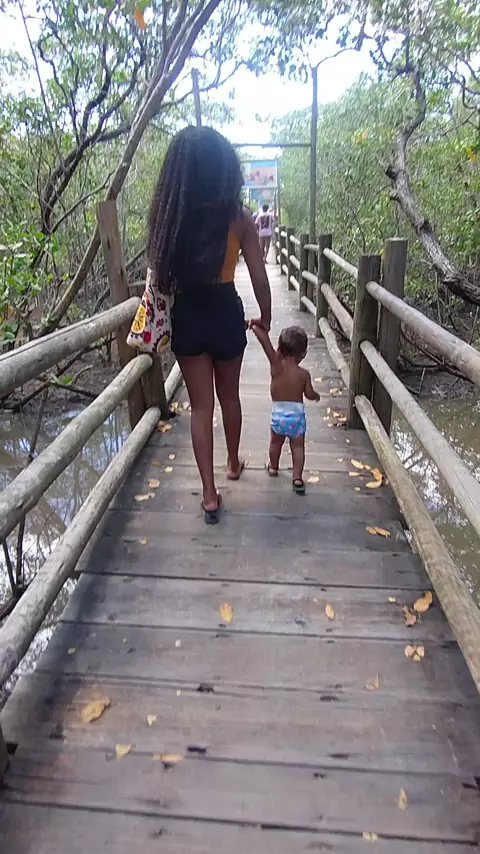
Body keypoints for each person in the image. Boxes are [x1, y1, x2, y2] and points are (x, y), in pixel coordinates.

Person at [147, 126, 272, 524]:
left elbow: (161, 275)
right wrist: (266, 316)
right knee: (229, 397)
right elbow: (259, 277)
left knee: (201, 408)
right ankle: (233, 463)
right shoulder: (239, 218)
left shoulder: (173, 220)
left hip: (189, 315)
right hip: (225, 313)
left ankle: (209, 494)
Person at [250, 324, 320, 494]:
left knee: (275, 443)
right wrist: (316, 395)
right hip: (296, 419)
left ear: (279, 349)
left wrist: (255, 327)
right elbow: (309, 394)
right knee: (298, 448)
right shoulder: (303, 374)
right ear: (303, 354)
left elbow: (265, 344)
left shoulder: (276, 367)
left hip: (278, 416)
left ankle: (273, 467)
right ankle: (297, 478)